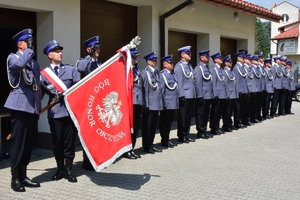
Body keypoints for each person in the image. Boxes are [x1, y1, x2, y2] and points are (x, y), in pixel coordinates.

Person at [5, 28, 41, 192]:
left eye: (32, 41)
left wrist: (39, 107)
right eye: (29, 41)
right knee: (18, 144)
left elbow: (37, 86)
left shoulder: (34, 63)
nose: (32, 44)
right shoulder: (14, 58)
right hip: (19, 106)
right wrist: (29, 50)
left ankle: (24, 175)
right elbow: (19, 65)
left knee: (28, 144)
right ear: (20, 44)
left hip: (32, 108)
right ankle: (15, 179)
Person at [41, 40, 80, 183]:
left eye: (60, 51)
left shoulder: (70, 70)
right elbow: (40, 95)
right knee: (57, 143)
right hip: (55, 113)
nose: (60, 53)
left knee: (69, 143)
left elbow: (79, 89)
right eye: (57, 51)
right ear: (50, 55)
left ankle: (69, 170)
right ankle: (60, 169)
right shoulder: (44, 74)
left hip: (70, 112)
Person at [76, 36, 101, 170]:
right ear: (89, 49)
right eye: (95, 48)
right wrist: (89, 55)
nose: (98, 50)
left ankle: (95, 158)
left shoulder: (99, 64)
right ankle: (87, 161)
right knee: (88, 133)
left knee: (97, 133)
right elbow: (81, 69)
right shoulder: (83, 61)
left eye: (98, 48)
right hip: (87, 103)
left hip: (98, 103)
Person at [140, 51, 163, 154]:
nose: (156, 61)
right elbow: (143, 89)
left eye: (156, 60)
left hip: (156, 104)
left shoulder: (157, 73)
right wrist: (145, 105)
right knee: (147, 127)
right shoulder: (145, 73)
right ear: (148, 62)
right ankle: (146, 146)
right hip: (149, 105)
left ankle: (151, 144)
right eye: (153, 60)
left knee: (153, 127)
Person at [122, 48, 142, 159]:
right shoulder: (127, 70)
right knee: (130, 128)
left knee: (136, 126)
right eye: (136, 56)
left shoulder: (137, 70)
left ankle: (132, 148)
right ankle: (127, 150)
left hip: (138, 102)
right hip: (130, 103)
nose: (138, 58)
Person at [174, 46, 196, 143]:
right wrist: (181, 95)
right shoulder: (179, 66)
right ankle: (181, 135)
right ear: (182, 55)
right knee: (182, 117)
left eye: (190, 53)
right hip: (184, 95)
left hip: (191, 95)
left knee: (188, 117)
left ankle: (186, 134)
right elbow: (179, 82)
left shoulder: (189, 66)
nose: (190, 55)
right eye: (188, 53)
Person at [159, 54, 179, 148]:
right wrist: (162, 104)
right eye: (170, 63)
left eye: (173, 63)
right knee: (164, 123)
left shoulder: (173, 75)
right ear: (165, 64)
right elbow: (161, 91)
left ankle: (167, 139)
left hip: (173, 103)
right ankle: (164, 140)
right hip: (166, 103)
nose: (172, 64)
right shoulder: (162, 75)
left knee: (169, 123)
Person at [194, 50, 213, 139]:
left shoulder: (207, 68)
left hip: (208, 95)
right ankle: (200, 131)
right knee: (201, 114)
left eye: (208, 56)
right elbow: (198, 83)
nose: (208, 58)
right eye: (206, 56)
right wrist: (200, 96)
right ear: (201, 58)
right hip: (203, 95)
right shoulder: (198, 68)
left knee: (206, 114)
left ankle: (204, 129)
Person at [209, 52, 226, 135]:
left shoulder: (221, 69)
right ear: (215, 60)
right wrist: (215, 94)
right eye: (220, 58)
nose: (221, 59)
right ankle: (213, 128)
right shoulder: (213, 69)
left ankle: (217, 127)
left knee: (219, 112)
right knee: (215, 112)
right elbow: (213, 83)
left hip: (222, 94)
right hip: (217, 95)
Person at [222, 55, 239, 132]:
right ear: (225, 63)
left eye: (231, 61)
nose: (231, 63)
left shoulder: (231, 71)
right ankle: (226, 125)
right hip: (228, 94)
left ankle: (229, 124)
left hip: (233, 94)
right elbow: (225, 84)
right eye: (229, 62)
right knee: (227, 112)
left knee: (230, 111)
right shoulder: (225, 72)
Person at [232, 52, 246, 129]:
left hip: (243, 90)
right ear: (239, 59)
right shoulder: (236, 68)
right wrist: (237, 91)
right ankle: (237, 123)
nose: (244, 59)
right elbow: (236, 80)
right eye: (242, 58)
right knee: (237, 108)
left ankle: (239, 121)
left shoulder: (242, 67)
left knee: (241, 108)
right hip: (239, 91)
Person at [243, 54, 255, 126]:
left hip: (251, 89)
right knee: (245, 107)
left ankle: (247, 119)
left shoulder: (249, 68)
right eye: (249, 60)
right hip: (246, 90)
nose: (250, 61)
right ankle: (244, 120)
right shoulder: (243, 68)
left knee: (249, 107)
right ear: (245, 60)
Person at [250, 55, 262, 123]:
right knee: (253, 105)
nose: (257, 61)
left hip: (258, 88)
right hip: (254, 89)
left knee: (257, 105)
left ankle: (256, 116)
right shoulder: (252, 68)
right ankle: (252, 118)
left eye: (258, 60)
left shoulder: (258, 68)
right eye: (256, 60)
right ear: (253, 61)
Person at [257, 52, 267, 120]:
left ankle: (258, 115)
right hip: (258, 87)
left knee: (260, 103)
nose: (263, 59)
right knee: (257, 104)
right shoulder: (258, 66)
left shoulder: (262, 66)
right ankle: (256, 116)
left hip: (262, 87)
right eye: (262, 58)